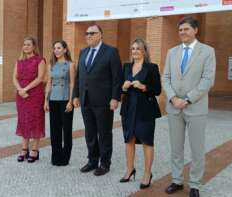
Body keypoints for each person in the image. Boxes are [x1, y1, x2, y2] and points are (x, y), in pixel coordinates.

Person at [162, 16, 216, 197]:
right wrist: (173, 98)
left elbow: (208, 80)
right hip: (174, 108)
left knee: (197, 148)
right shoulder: (172, 52)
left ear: (195, 30)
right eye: (180, 30)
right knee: (176, 147)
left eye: (186, 29)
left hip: (196, 108)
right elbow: (166, 78)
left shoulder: (207, 52)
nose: (182, 33)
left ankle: (195, 184)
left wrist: (188, 99)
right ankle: (177, 180)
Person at [73, 24, 122, 176]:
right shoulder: (83, 52)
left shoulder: (111, 52)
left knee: (104, 133)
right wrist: (75, 95)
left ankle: (105, 163)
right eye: (87, 33)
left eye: (92, 33)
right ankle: (92, 160)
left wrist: (115, 98)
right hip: (86, 100)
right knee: (90, 132)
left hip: (104, 101)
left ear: (100, 34)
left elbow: (117, 78)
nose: (88, 35)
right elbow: (79, 76)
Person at [119, 38, 161, 189]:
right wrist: (123, 87)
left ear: (144, 51)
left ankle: (147, 173)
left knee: (147, 142)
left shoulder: (151, 67)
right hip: (128, 109)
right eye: (132, 48)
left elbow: (157, 90)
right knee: (129, 140)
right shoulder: (126, 67)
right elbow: (119, 89)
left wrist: (143, 86)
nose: (134, 51)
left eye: (137, 48)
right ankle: (130, 170)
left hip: (145, 110)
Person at [13, 36, 46, 163]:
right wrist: (20, 90)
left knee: (35, 119)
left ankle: (35, 150)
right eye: (24, 44)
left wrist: (25, 89)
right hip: (21, 95)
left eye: (28, 44)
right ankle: (24, 148)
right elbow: (14, 78)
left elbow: (40, 78)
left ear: (33, 46)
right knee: (23, 120)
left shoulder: (40, 60)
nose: (25, 46)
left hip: (35, 94)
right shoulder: (19, 61)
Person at [44, 40, 76, 166]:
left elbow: (72, 83)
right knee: (54, 129)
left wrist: (70, 101)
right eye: (54, 48)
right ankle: (56, 157)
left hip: (65, 100)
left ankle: (65, 158)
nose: (56, 50)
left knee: (66, 130)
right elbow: (49, 83)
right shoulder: (51, 65)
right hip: (53, 100)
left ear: (65, 50)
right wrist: (46, 100)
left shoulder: (70, 65)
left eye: (59, 48)